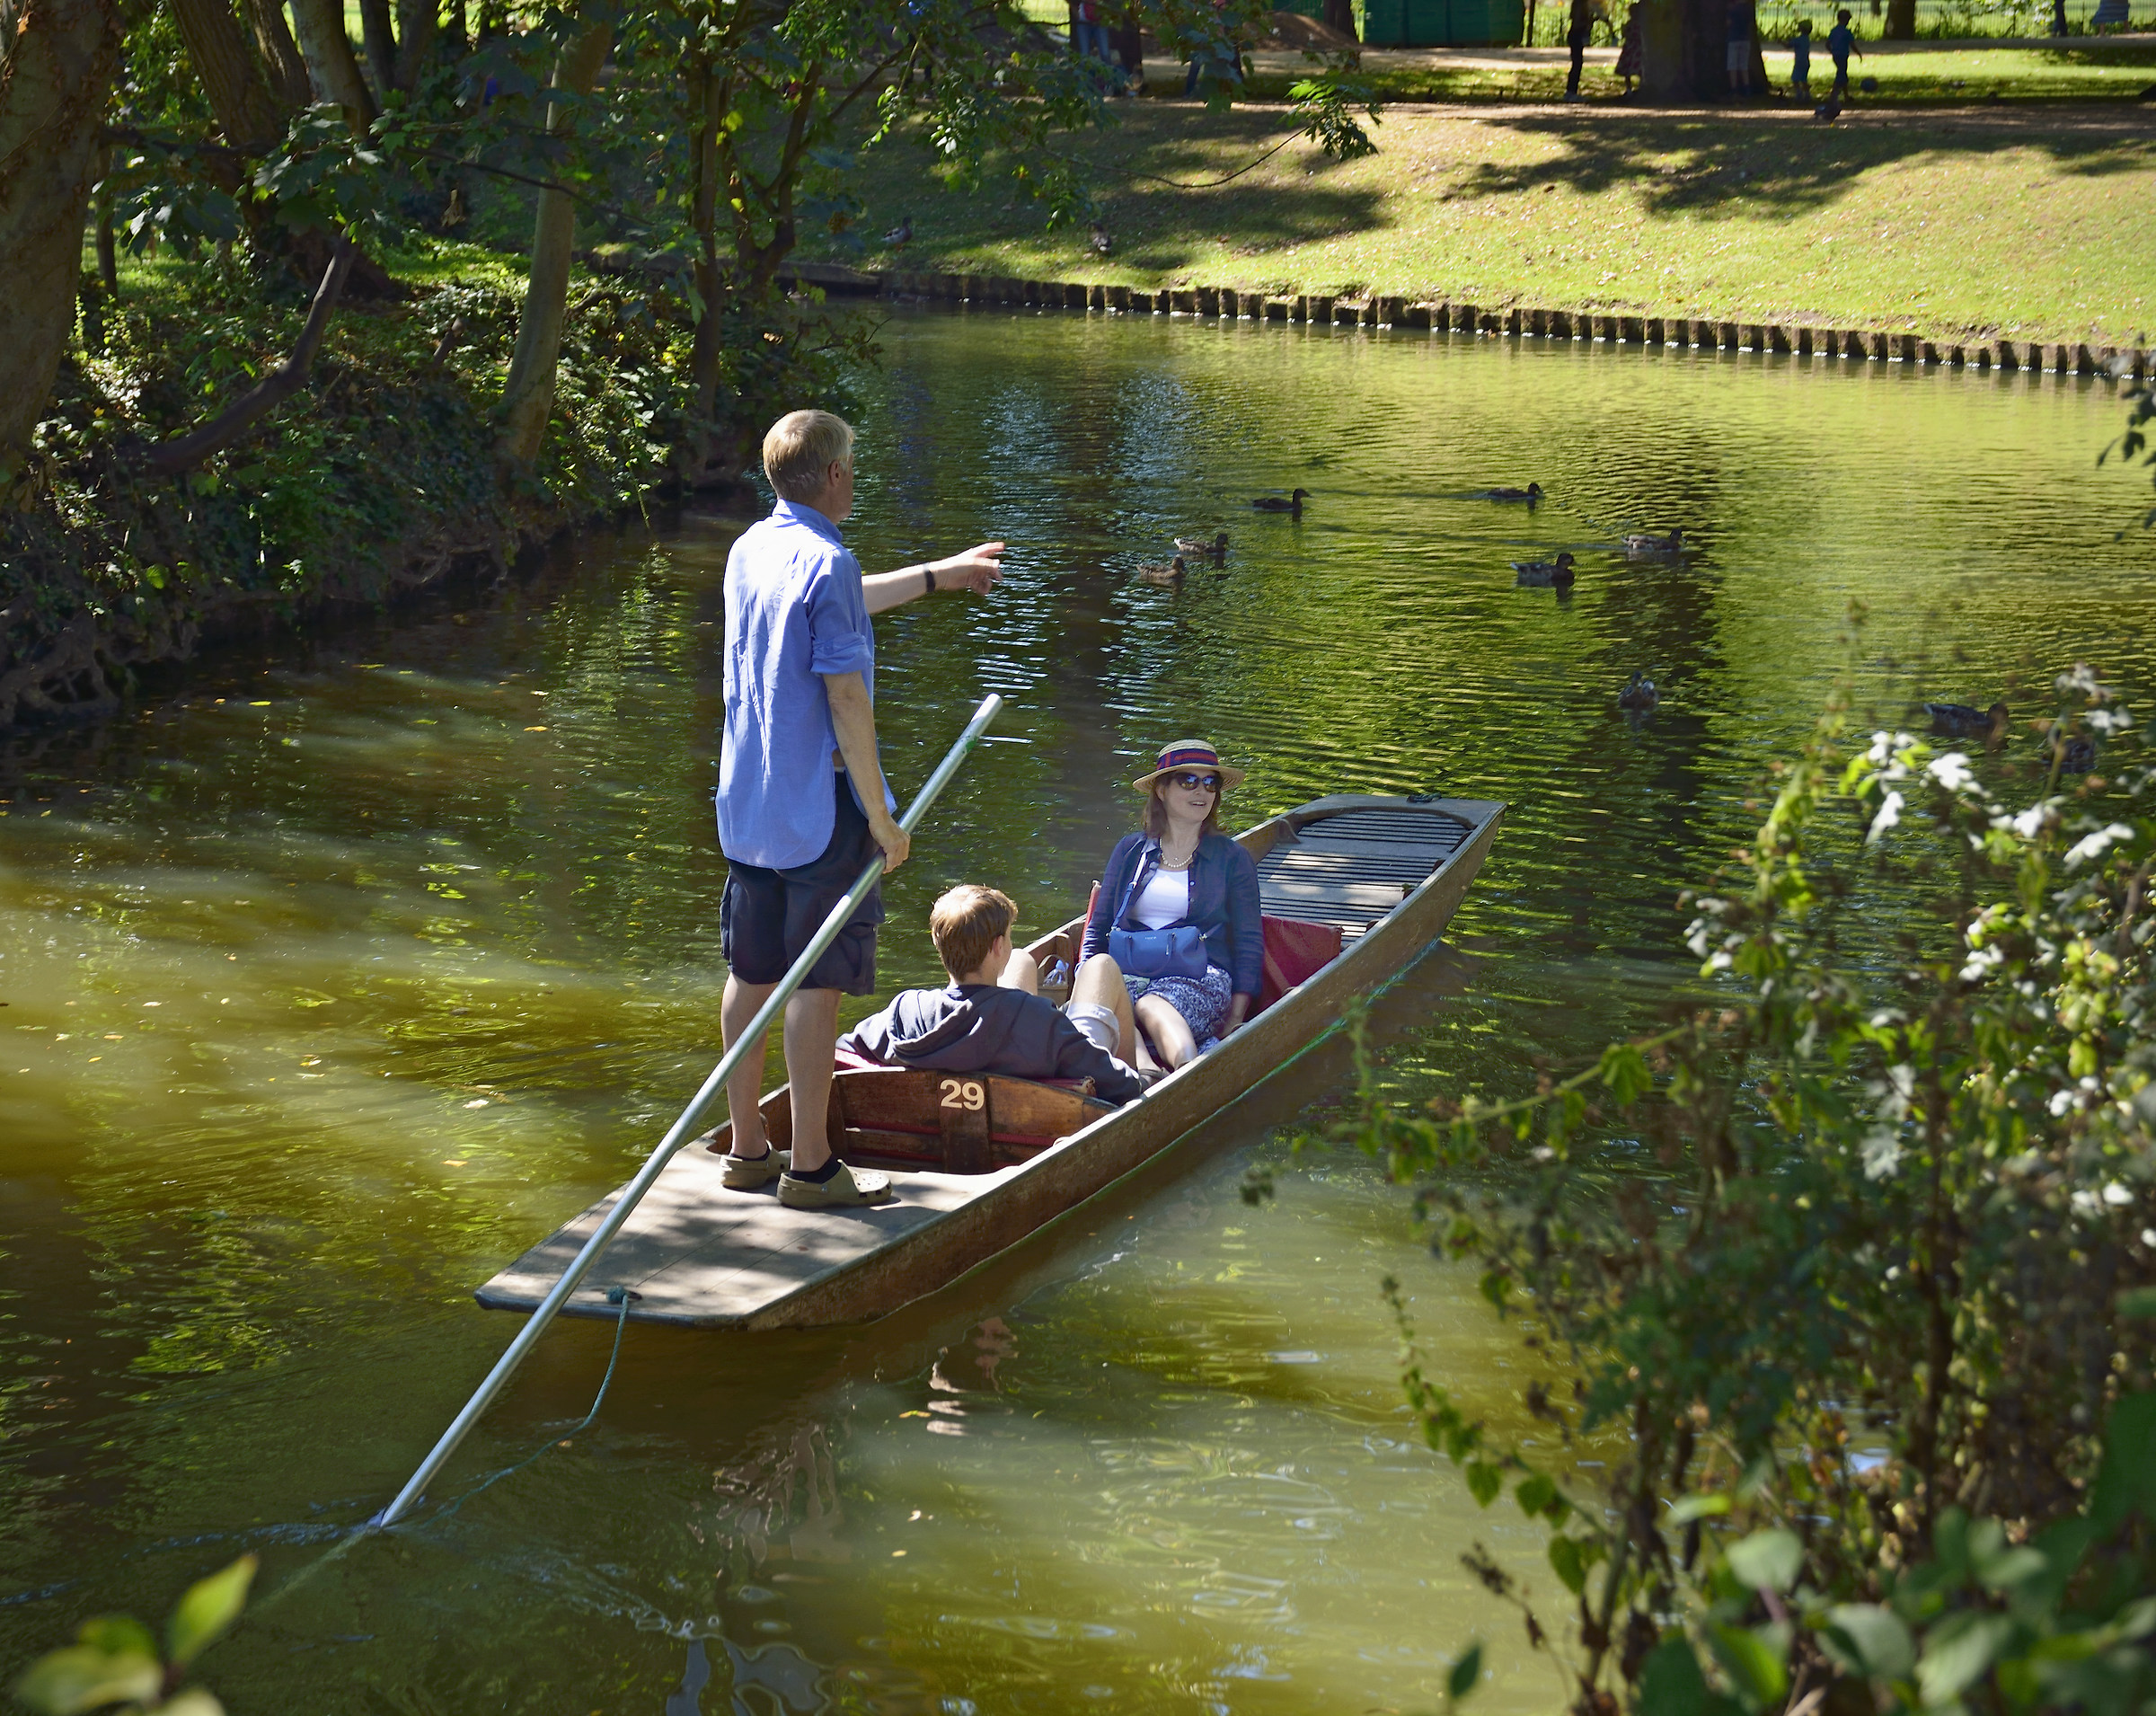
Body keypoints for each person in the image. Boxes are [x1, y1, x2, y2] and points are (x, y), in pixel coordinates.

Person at [716, 409, 1007, 1210]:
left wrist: (940, 575)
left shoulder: (753, 549)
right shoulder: (828, 564)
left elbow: (830, 604)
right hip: (821, 815)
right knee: (813, 990)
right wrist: (881, 817)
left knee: (751, 975)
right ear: (838, 476)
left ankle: (748, 1151)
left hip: (748, 809)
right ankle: (811, 1170)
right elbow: (846, 695)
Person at [839, 886, 1151, 1105]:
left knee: (1022, 962)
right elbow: (1115, 1082)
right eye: (1010, 939)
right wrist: (1139, 1081)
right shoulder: (1040, 1020)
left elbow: (844, 1052)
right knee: (1101, 966)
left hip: (934, 1116)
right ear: (998, 947)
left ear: (939, 947)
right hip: (1037, 1120)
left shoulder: (906, 1011)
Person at [1079, 741, 1262, 1072]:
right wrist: (1087, 977)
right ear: (1161, 790)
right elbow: (1098, 926)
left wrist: (1236, 1017)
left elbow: (1250, 940)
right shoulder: (1130, 850)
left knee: (1151, 1004)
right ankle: (1146, 1071)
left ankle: (1188, 1072)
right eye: (1188, 781)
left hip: (1200, 976)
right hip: (1129, 973)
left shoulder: (1232, 858)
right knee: (1115, 1004)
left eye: (1211, 783)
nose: (1202, 791)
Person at [1825, 8, 1860, 95]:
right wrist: (1858, 53)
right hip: (1843, 55)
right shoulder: (1846, 32)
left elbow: (1827, 44)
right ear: (1845, 20)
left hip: (1836, 55)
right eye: (1848, 19)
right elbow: (1852, 45)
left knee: (1842, 74)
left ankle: (1846, 95)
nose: (1848, 21)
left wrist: (1832, 51)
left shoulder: (1834, 31)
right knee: (1841, 75)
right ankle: (1833, 94)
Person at [1727, 0, 1755, 93]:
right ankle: (1747, 87)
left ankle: (1734, 88)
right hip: (1745, 39)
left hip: (1734, 39)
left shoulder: (1733, 9)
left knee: (1732, 65)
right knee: (1744, 65)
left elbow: (1728, 23)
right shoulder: (1748, 10)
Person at [1565, 0, 1593, 100]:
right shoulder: (1580, 4)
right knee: (1577, 63)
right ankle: (1571, 91)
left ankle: (1571, 91)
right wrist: (1588, 22)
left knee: (1577, 63)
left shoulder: (1580, 4)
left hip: (1576, 35)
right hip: (1576, 36)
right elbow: (1577, 23)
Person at [1614, 5, 1642, 92]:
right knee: (1627, 70)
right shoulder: (1630, 23)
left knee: (1639, 68)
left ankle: (1640, 86)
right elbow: (1625, 35)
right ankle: (1629, 89)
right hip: (1630, 47)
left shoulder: (1641, 24)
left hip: (1637, 48)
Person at [1788, 16, 1813, 98]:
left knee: (1795, 79)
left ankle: (1799, 93)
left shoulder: (1798, 39)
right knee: (1803, 79)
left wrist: (1781, 42)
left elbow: (1788, 46)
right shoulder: (1807, 39)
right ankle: (1807, 94)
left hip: (1799, 62)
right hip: (1806, 62)